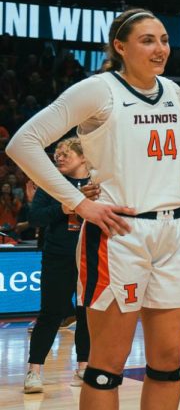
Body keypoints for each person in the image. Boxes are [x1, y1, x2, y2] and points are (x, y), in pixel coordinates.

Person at [6, 7, 180, 410]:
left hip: (176, 230)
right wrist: (78, 202)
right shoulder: (97, 90)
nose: (159, 49)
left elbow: (175, 163)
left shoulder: (175, 92)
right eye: (146, 40)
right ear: (120, 45)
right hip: (120, 233)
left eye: (163, 39)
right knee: (107, 366)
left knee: (168, 362)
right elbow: (22, 142)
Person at [23, 137, 97, 393]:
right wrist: (63, 209)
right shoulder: (51, 184)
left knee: (87, 313)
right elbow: (35, 217)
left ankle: (84, 367)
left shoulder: (98, 184)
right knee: (51, 313)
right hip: (58, 255)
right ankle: (34, 372)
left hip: (91, 256)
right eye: (58, 154)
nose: (60, 157)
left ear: (83, 157)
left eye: (66, 153)